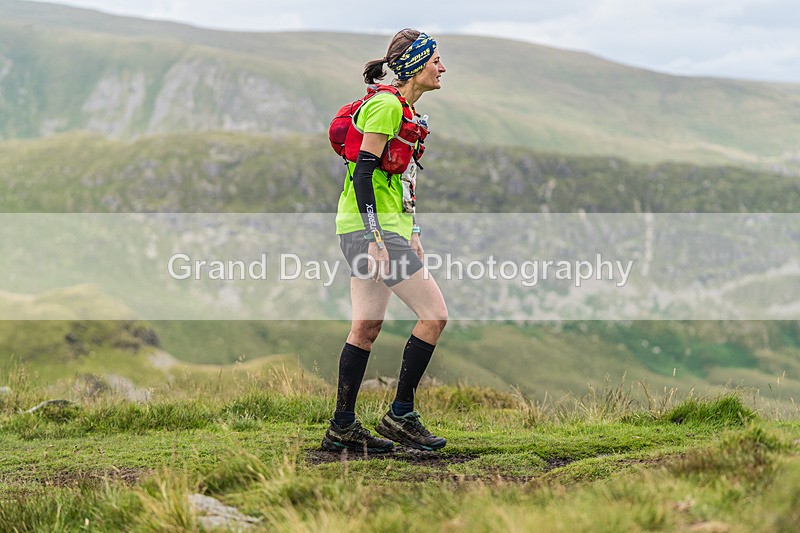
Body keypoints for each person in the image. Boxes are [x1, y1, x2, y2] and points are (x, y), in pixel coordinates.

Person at [321, 29, 448, 453]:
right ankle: (401, 415)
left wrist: (412, 233)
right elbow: (362, 173)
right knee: (434, 315)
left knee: (366, 327)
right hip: (367, 229)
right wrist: (376, 237)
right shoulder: (385, 107)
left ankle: (342, 426)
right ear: (415, 66)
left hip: (378, 229)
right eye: (434, 60)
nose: (442, 67)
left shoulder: (407, 112)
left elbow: (403, 180)